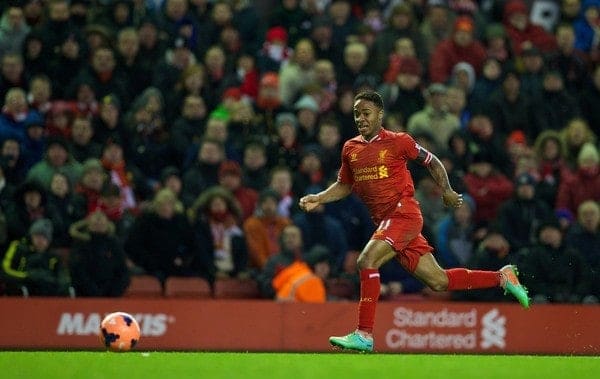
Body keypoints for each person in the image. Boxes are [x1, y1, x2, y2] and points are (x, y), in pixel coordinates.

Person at [299, 91, 529, 352]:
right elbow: (344, 185)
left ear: (379, 114)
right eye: (356, 114)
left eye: (366, 113)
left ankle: (364, 334)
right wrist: (319, 197)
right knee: (438, 281)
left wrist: (447, 190)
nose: (360, 118)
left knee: (366, 260)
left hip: (403, 214)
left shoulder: (399, 141)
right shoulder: (350, 148)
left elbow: (433, 162)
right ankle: (503, 277)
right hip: (388, 222)